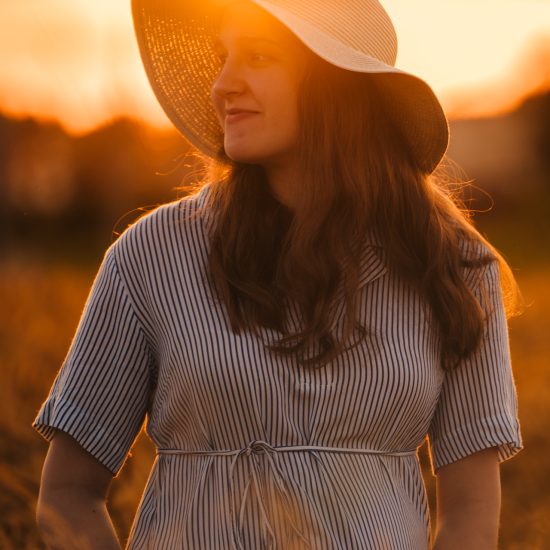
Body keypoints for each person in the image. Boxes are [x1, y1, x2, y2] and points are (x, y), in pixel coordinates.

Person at [34, 0, 523, 548]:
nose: (222, 85)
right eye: (223, 57)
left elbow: (471, 513)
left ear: (336, 84)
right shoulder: (149, 256)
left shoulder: (455, 268)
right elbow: (68, 495)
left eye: (259, 57)